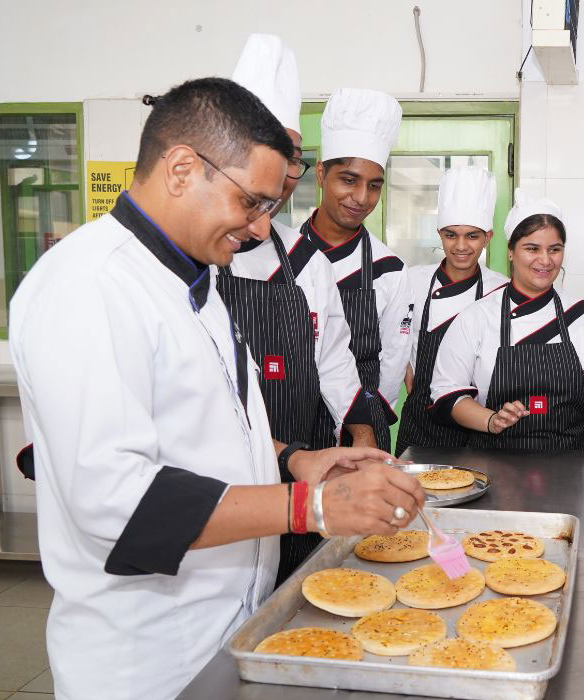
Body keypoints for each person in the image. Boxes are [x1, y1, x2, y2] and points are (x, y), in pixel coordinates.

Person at [9, 77, 424, 700]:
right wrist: (307, 508)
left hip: (223, 630)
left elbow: (211, 432)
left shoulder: (191, 282)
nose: (261, 230)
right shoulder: (90, 287)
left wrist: (296, 461)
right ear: (181, 169)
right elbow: (114, 504)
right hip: (151, 656)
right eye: (251, 203)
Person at [218, 34, 377, 584]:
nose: (283, 178)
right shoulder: (180, 268)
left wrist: (361, 432)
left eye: (292, 160)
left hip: (299, 463)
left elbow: (334, 359)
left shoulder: (305, 262)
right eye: (274, 157)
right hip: (216, 502)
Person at [430, 189, 584, 453]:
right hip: (493, 464)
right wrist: (491, 420)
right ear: (511, 251)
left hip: (571, 467)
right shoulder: (476, 317)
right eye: (532, 248)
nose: (545, 260)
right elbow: (448, 393)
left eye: (554, 249)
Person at [300, 88, 411, 452]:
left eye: (374, 185)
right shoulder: (282, 256)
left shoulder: (388, 269)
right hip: (285, 423)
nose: (362, 198)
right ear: (321, 174)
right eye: (348, 180)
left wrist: (366, 422)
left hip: (360, 431)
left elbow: (393, 361)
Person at [395, 165, 509, 456]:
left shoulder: (502, 289)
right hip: (421, 420)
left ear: (488, 237)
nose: (460, 246)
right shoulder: (413, 280)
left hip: (479, 420)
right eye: (451, 235)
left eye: (472, 236)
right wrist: (405, 366)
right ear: (439, 233)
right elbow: (392, 334)